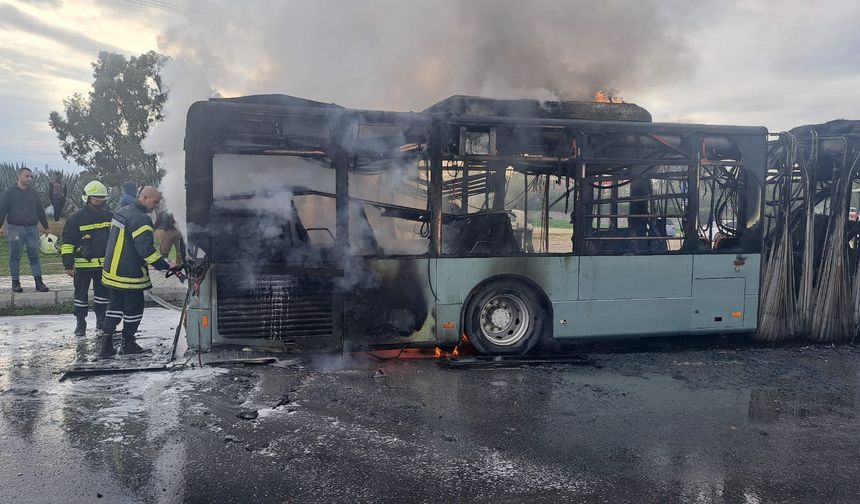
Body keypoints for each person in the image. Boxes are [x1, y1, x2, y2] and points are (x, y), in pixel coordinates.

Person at [98, 186, 178, 359]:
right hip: (129, 274)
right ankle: (129, 344)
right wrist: (165, 264)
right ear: (144, 197)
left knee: (114, 307)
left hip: (112, 271)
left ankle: (106, 346)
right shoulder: (141, 219)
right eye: (154, 202)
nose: (155, 206)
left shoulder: (122, 211)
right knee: (134, 309)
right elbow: (146, 251)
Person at [61, 181, 112, 336]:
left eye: (101, 197)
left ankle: (101, 321)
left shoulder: (110, 216)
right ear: (88, 198)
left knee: (102, 296)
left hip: (103, 266)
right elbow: (67, 243)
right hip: (82, 266)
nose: (98, 200)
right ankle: (80, 323)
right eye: (95, 197)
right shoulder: (75, 219)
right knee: (80, 296)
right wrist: (68, 264)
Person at [0, 167, 50, 293]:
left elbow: (40, 210)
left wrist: (46, 227)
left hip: (32, 229)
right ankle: (15, 282)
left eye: (31, 176)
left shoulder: (33, 193)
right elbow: (2, 209)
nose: (29, 178)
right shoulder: (10, 192)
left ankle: (39, 282)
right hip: (15, 229)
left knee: (34, 256)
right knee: (15, 256)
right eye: (27, 176)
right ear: (19, 176)